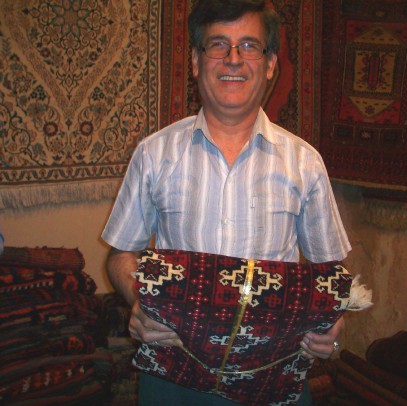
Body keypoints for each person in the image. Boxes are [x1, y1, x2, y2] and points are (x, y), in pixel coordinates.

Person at [102, 0, 351, 404]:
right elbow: (120, 254)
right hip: (174, 376)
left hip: (274, 379)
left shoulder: (305, 162)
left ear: (270, 63)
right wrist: (140, 302)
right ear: (197, 63)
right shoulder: (153, 154)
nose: (233, 59)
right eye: (218, 45)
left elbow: (329, 272)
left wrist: (330, 325)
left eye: (249, 46)